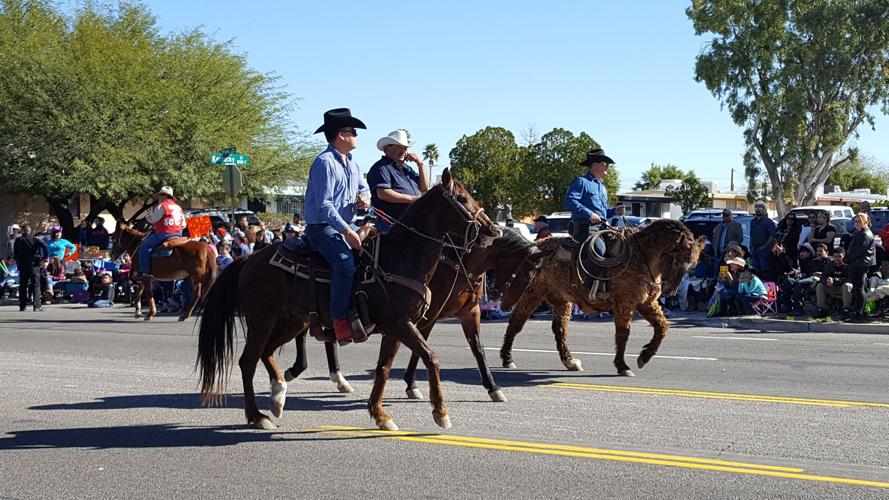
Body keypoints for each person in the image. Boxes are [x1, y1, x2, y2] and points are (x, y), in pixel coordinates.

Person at [304, 108, 371, 343]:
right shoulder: (324, 163)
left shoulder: (352, 163)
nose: (356, 134)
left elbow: (364, 189)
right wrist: (348, 232)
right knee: (344, 263)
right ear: (340, 135)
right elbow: (325, 206)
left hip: (349, 223)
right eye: (352, 130)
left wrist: (365, 199)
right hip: (322, 228)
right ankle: (339, 321)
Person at [564, 148, 616, 298]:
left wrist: (614, 212)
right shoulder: (581, 182)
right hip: (584, 228)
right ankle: (588, 289)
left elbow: (603, 212)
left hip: (601, 228)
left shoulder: (602, 186)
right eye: (604, 163)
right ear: (594, 165)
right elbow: (569, 201)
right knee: (599, 250)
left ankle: (609, 285)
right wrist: (589, 214)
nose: (607, 166)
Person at [366, 129, 430, 233]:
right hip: (391, 224)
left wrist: (420, 164)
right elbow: (384, 194)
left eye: (405, 148)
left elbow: (424, 188)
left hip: (412, 223)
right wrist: (413, 199)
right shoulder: (381, 168)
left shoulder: (407, 169)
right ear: (387, 148)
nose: (403, 151)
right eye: (399, 147)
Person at [139, 186, 186, 276]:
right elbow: (184, 225)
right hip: (178, 234)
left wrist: (147, 217)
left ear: (165, 196)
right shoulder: (178, 207)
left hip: (164, 234)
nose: (158, 198)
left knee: (144, 247)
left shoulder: (162, 206)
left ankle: (145, 271)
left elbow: (153, 219)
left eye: (160, 195)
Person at [844, 213, 876, 322]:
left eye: (859, 221)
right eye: (855, 221)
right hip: (859, 263)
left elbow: (859, 251)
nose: (856, 223)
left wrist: (847, 259)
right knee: (858, 289)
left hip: (860, 264)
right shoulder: (861, 233)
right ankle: (859, 312)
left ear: (865, 222)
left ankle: (859, 313)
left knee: (859, 289)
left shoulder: (865, 234)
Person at [13, 224, 48, 311]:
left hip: (23, 264)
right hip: (34, 264)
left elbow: (15, 253)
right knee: (36, 284)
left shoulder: (18, 240)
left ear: (23, 231)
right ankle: (36, 306)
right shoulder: (35, 239)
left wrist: (18, 261)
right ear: (30, 231)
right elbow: (45, 247)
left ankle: (22, 306)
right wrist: (44, 258)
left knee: (23, 285)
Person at [815, 247, 851, 317]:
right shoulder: (829, 265)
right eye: (835, 256)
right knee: (820, 285)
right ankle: (822, 309)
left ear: (843, 256)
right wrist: (826, 281)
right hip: (832, 287)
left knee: (847, 285)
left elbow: (850, 279)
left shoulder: (848, 266)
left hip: (843, 288)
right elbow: (823, 276)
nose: (837, 258)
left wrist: (835, 281)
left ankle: (846, 309)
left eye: (839, 256)